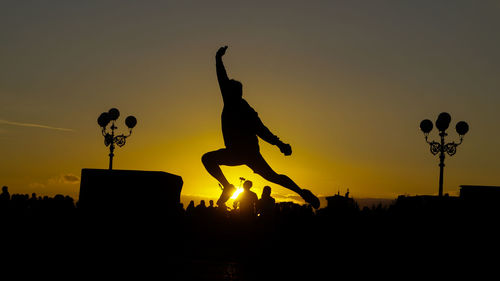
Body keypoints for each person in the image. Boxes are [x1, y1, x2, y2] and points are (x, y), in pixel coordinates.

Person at [202, 46, 320, 209]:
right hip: (245, 153)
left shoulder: (238, 106)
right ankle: (302, 192)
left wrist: (218, 58)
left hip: (243, 152)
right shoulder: (241, 106)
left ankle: (301, 192)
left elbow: (263, 131)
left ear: (234, 93)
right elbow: (263, 131)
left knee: (208, 159)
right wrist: (280, 145)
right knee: (273, 176)